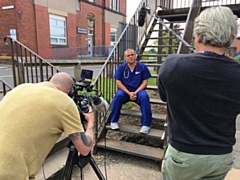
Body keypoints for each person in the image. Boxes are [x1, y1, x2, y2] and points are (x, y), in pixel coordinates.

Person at [157, 6, 240, 180]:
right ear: (230, 38)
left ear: (199, 36)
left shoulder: (173, 65)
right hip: (220, 157)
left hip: (184, 155)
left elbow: (164, 96)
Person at [0, 72, 95, 180]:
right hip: (9, 173)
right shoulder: (64, 102)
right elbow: (84, 149)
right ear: (69, 91)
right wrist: (90, 121)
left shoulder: (20, 88)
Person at [109, 48, 152, 134]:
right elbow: (118, 83)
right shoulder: (121, 68)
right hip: (125, 91)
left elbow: (145, 82)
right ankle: (113, 121)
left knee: (144, 96)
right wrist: (129, 93)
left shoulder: (142, 67)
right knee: (118, 96)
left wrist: (135, 92)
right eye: (128, 56)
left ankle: (146, 124)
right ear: (125, 58)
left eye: (132, 55)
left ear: (135, 56)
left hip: (138, 91)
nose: (130, 57)